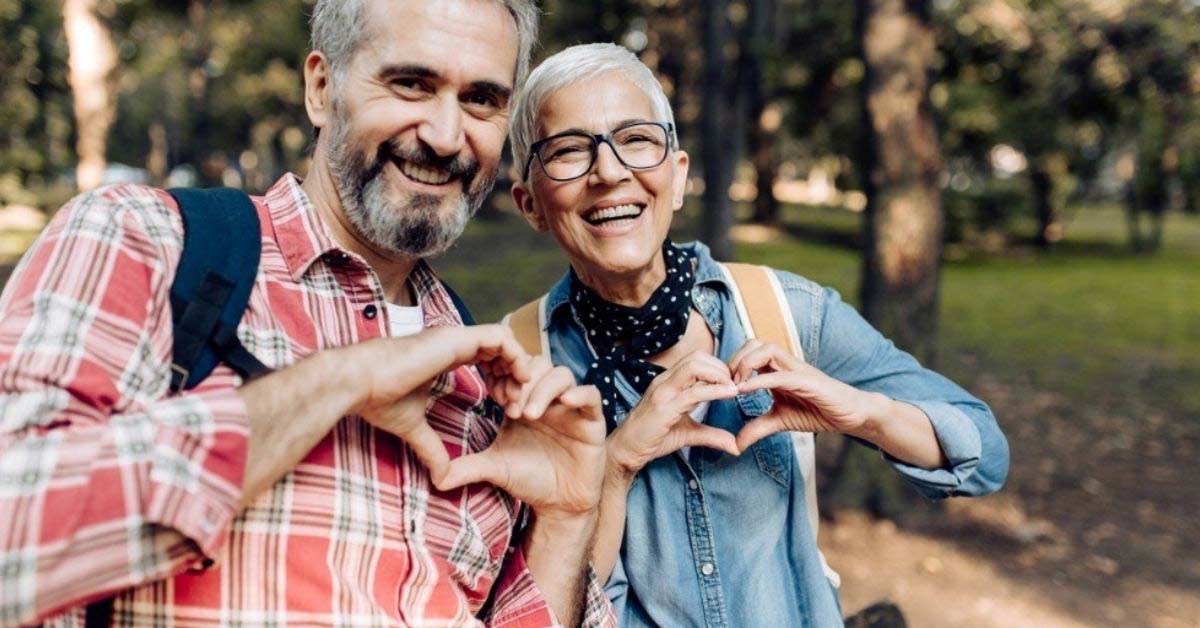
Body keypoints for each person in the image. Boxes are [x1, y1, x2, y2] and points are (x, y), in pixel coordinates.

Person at [0, 2, 615, 626]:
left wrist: (564, 520)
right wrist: (340, 380)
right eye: (411, 84)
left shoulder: (483, 377)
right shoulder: (145, 242)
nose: (446, 136)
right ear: (322, 89)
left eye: (482, 99)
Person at [504, 43, 1010, 627]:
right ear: (530, 204)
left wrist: (864, 413)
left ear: (677, 173)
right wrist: (614, 465)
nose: (610, 172)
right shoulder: (515, 367)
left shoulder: (786, 311)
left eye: (637, 140)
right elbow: (540, 613)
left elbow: (984, 454)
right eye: (569, 151)